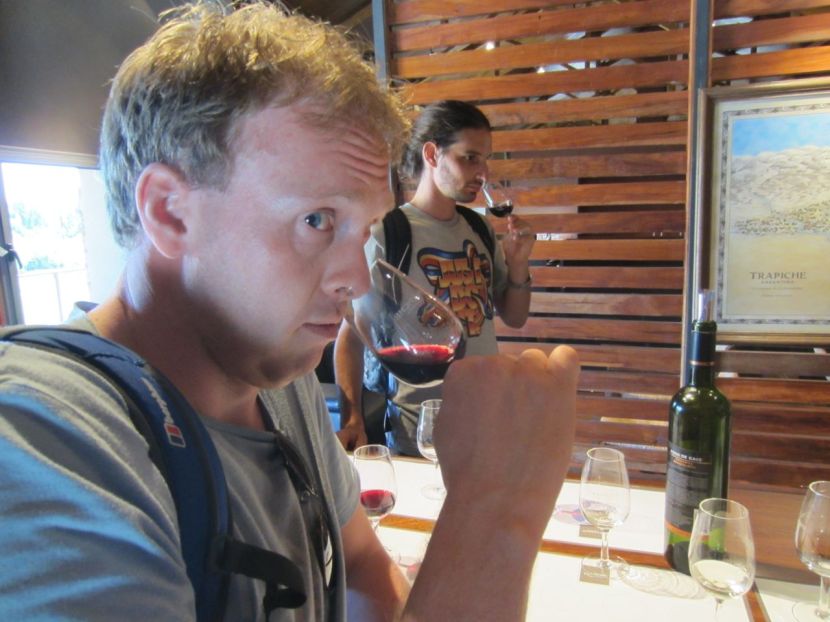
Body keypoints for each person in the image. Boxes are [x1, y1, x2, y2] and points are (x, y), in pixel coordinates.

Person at [0, 3, 579, 621]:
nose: (357, 281)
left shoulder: (277, 377)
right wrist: (496, 510)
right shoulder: (43, 443)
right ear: (170, 212)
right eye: (317, 220)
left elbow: (363, 567)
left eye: (362, 230)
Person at [334, 100, 536, 454]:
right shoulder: (387, 234)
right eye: (469, 158)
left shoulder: (479, 228)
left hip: (488, 418)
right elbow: (351, 336)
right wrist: (352, 419)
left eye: (485, 159)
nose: (482, 173)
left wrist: (518, 264)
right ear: (432, 154)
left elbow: (515, 317)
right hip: (420, 430)